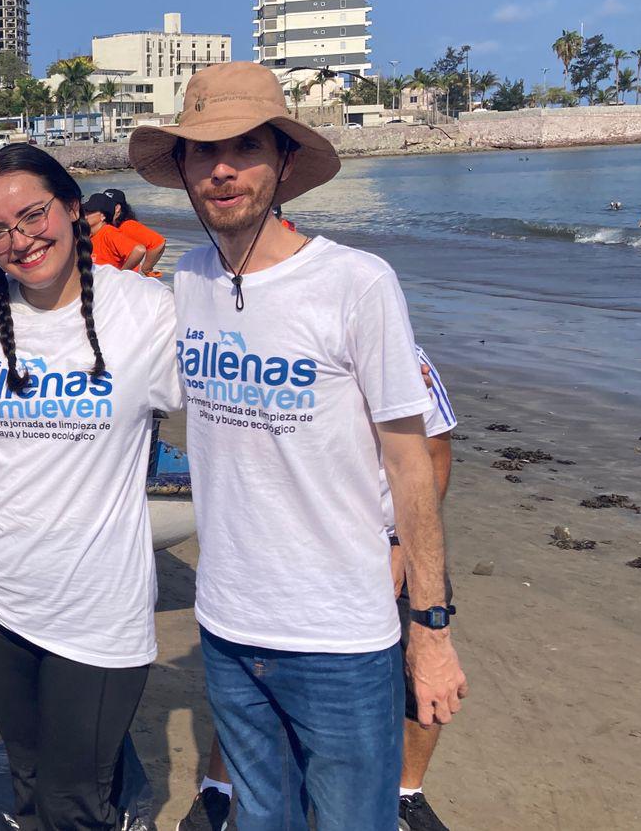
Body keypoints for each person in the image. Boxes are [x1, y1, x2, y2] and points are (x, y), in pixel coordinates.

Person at [129, 61, 466, 831]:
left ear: (284, 162)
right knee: (259, 819)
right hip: (226, 622)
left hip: (341, 635)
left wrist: (431, 625)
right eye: (201, 151)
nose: (222, 170)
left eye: (246, 147)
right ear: (179, 167)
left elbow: (414, 459)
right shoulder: (189, 279)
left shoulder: (356, 283)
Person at [0, 144, 181, 829]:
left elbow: (242, 418)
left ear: (75, 208)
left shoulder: (148, 311)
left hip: (97, 604)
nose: (20, 240)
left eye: (33, 214)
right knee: (28, 776)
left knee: (75, 800)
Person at [178, 346, 461, 831]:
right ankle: (220, 788)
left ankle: (406, 792)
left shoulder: (398, 352)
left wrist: (401, 551)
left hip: (386, 547)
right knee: (255, 681)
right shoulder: (236, 337)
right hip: (278, 562)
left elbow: (433, 455)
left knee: (417, 685)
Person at [103, 189, 166, 275]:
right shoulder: (107, 225)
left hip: (125, 279)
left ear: (118, 209)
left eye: (106, 205)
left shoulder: (127, 225)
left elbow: (158, 243)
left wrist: (146, 269)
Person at [82, 192, 147, 272]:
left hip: (109, 282)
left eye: (89, 211)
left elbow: (139, 250)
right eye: (84, 210)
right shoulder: (88, 234)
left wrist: (121, 274)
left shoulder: (108, 232)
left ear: (103, 216)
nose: (85, 215)